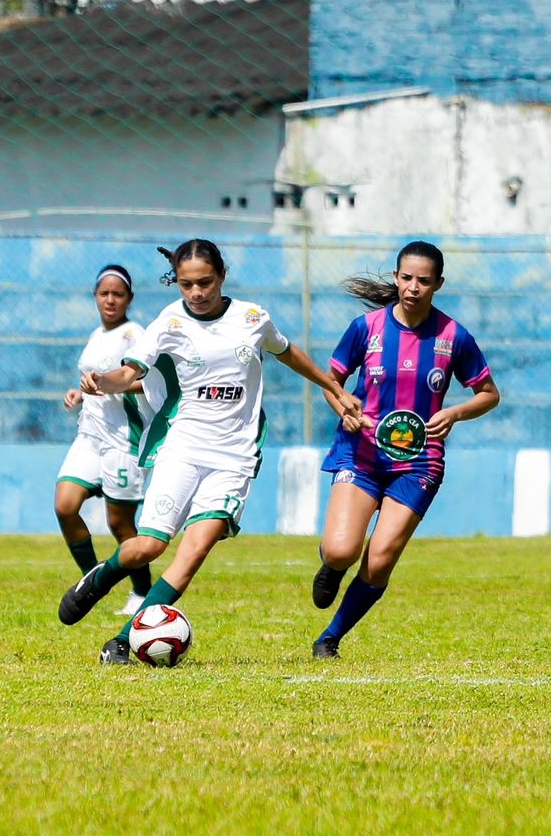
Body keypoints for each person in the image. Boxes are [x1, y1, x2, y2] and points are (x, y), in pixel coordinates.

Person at [57, 239, 362, 663]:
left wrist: (333, 388)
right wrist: (101, 381)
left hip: (235, 456)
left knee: (194, 550)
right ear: (176, 283)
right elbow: (131, 371)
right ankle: (102, 575)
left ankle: (123, 641)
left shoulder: (252, 318)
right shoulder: (168, 322)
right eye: (186, 285)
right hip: (182, 448)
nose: (197, 293)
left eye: (205, 283)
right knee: (147, 547)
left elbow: (287, 352)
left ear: (222, 276)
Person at [310, 240, 500, 659]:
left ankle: (330, 638)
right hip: (361, 455)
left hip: (419, 463)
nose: (413, 287)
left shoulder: (454, 336)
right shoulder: (366, 328)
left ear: (438, 284)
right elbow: (332, 382)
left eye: (424, 281)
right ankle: (331, 564)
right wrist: (344, 408)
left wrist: (456, 413)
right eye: (407, 278)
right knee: (343, 549)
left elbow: (489, 394)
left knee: (379, 561)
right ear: (396, 278)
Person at [55, 264, 152, 617]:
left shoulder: (135, 335)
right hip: (90, 435)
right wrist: (78, 393)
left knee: (119, 524)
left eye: (118, 294)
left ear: (129, 298)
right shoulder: (96, 335)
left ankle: (142, 592)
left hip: (124, 438)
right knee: (65, 505)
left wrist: (115, 384)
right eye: (104, 293)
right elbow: (91, 380)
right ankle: (91, 580)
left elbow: (149, 380)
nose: (110, 300)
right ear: (95, 296)